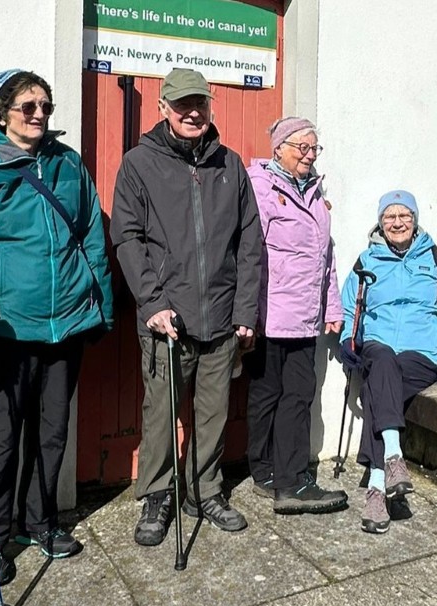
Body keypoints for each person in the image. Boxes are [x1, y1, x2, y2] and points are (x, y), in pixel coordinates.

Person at [0, 69, 115, 585]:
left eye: (45, 106)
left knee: (51, 433)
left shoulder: (67, 162)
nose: (39, 114)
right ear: (3, 113)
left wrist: (102, 307)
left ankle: (39, 523)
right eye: (27, 106)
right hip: (6, 329)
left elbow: (91, 236)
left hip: (66, 324)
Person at [110, 68, 262, 546]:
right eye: (182, 105)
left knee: (213, 413)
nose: (193, 113)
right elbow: (127, 239)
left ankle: (204, 490)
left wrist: (245, 312)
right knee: (161, 412)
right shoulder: (139, 163)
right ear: (163, 109)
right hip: (167, 319)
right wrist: (152, 302)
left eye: (200, 104)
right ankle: (157, 494)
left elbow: (250, 242)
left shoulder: (229, 165)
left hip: (221, 316)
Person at [340, 190, 437, 534]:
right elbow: (349, 307)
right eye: (389, 217)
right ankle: (393, 458)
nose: (397, 223)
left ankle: (377, 484)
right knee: (382, 359)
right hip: (377, 346)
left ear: (415, 220)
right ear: (380, 223)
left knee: (377, 390)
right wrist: (346, 340)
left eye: (404, 216)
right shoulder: (367, 261)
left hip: (420, 354)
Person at [245, 117, 348, 514]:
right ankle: (280, 479)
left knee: (297, 394)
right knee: (270, 395)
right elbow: (249, 253)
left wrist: (332, 306)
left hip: (304, 315)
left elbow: (326, 257)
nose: (309, 155)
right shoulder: (261, 187)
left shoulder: (314, 193)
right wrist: (247, 313)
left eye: (313, 148)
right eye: (301, 147)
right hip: (270, 312)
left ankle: (281, 476)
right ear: (278, 148)